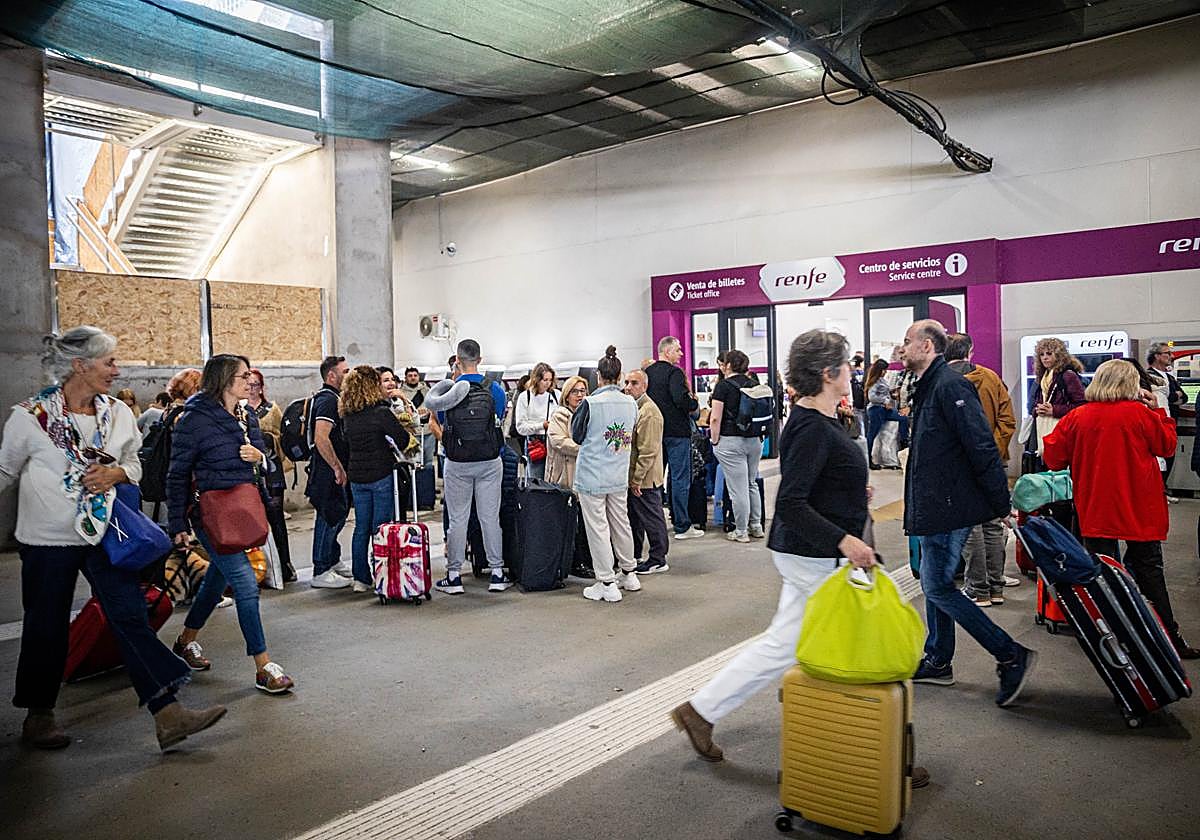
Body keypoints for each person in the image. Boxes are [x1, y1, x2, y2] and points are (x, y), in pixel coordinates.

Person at [0, 327, 225, 751]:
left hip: (106, 534)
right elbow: (5, 473)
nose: (117, 371)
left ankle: (167, 713)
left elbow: (136, 467)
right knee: (46, 625)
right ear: (79, 366)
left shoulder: (116, 415)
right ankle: (38, 714)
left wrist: (116, 473)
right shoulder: (30, 418)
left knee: (129, 616)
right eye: (109, 363)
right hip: (47, 539)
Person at [670, 330, 880, 762]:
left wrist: (853, 491)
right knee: (841, 646)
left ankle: (701, 711)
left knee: (786, 642)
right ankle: (870, 754)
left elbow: (815, 486)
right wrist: (846, 540)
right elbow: (790, 502)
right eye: (846, 365)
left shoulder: (818, 420)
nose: (852, 372)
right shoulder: (810, 427)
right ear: (828, 373)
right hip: (814, 556)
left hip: (813, 554)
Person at [901, 320, 1036, 706]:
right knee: (936, 583)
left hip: (948, 505)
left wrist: (999, 502)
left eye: (908, 342)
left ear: (928, 347)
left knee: (938, 586)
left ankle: (1010, 654)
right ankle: (939, 659)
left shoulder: (950, 386)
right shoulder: (928, 387)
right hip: (934, 504)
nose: (902, 348)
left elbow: (980, 445)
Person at [1042, 359, 1199, 659]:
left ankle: (1109, 638)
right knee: (1150, 572)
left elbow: (1053, 459)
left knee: (1101, 576)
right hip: (1140, 508)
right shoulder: (1141, 414)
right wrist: (1158, 409)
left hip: (1096, 509)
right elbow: (1166, 446)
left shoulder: (1078, 418)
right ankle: (1170, 639)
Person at [167, 354, 295, 694]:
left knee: (216, 579)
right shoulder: (193, 419)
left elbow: (261, 462)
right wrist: (177, 522)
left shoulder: (246, 413)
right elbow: (177, 473)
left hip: (242, 508)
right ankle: (263, 664)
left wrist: (260, 457)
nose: (249, 381)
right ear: (224, 379)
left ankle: (185, 640)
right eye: (242, 376)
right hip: (209, 513)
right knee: (245, 583)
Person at [424, 338, 512, 594]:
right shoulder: (495, 389)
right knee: (489, 518)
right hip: (489, 461)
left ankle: (453, 576)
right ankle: (496, 573)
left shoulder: (449, 390)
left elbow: (440, 422)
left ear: (457, 361)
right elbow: (499, 418)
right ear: (480, 360)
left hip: (457, 462)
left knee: (458, 519)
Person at [945, 333, 1018, 607]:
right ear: (970, 351)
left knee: (969, 526)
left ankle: (977, 589)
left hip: (959, 465)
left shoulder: (941, 380)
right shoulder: (990, 378)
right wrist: (991, 451)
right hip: (993, 462)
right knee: (992, 523)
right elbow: (1007, 419)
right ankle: (996, 587)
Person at [572, 346, 640, 602]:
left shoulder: (590, 403)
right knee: (621, 523)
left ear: (598, 376)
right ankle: (629, 572)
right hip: (618, 473)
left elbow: (577, 436)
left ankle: (606, 581)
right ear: (620, 375)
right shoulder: (630, 403)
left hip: (593, 473)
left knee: (598, 528)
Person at [341, 366, 412, 593]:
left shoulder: (348, 416)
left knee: (361, 528)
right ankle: (383, 573)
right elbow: (402, 439)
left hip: (357, 477)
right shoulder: (380, 413)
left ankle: (361, 578)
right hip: (381, 474)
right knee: (381, 528)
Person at [646, 336, 702, 540]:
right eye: (678, 350)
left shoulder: (647, 373)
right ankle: (682, 525)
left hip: (654, 433)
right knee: (680, 479)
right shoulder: (675, 373)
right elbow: (680, 399)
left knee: (654, 480)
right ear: (667, 351)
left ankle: (653, 524)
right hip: (677, 433)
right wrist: (693, 403)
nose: (681, 354)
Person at [708, 349, 766, 543]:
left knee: (737, 489)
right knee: (751, 483)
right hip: (754, 441)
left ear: (729, 365)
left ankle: (741, 531)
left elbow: (715, 417)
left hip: (731, 441)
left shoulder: (723, 387)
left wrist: (714, 441)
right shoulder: (753, 384)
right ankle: (756, 526)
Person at [245, 368, 296, 583]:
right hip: (251, 471)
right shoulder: (239, 410)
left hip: (272, 468)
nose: (252, 389)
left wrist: (268, 439)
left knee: (276, 518)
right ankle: (259, 567)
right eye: (249, 385)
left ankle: (284, 563)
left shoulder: (271, 409)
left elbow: (282, 438)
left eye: (256, 385)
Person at [307, 355, 352, 589]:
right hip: (327, 472)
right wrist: (336, 466)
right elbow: (321, 437)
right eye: (345, 372)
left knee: (337, 515)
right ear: (331, 376)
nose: (349, 375)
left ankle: (332, 560)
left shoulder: (335, 398)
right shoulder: (327, 401)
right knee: (328, 517)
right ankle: (321, 568)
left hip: (334, 469)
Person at [624, 369, 670, 575]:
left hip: (646, 479)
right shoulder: (636, 408)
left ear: (644, 386)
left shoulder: (649, 412)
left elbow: (648, 450)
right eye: (626, 382)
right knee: (637, 518)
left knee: (652, 518)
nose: (628, 387)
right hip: (638, 477)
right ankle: (636, 555)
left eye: (634, 383)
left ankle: (658, 558)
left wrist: (637, 479)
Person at [1027, 337, 1086, 465]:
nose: (1045, 358)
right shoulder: (1043, 376)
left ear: (1059, 355)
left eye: (1049, 353)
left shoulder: (1068, 375)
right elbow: (1035, 402)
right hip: (1043, 427)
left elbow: (1081, 405)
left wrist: (1054, 410)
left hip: (1060, 427)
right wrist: (1037, 410)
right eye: (1041, 354)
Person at [1147, 343, 1186, 502]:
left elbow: (1184, 396)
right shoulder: (1148, 375)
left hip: (1171, 422)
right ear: (1156, 356)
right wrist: (1173, 396)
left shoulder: (1169, 377)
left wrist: (1174, 396)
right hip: (1158, 422)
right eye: (1167, 353)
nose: (1171, 356)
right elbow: (1168, 397)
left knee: (1170, 455)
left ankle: (1163, 488)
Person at [515, 362, 558, 480]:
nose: (547, 383)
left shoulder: (555, 395)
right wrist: (541, 425)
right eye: (544, 380)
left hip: (553, 441)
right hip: (535, 442)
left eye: (550, 380)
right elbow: (520, 427)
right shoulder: (525, 397)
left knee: (553, 480)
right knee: (536, 480)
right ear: (537, 379)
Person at [547, 375, 588, 487]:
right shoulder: (559, 415)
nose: (579, 395)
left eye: (582, 391)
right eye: (574, 391)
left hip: (583, 473)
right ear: (566, 396)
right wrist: (587, 449)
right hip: (563, 476)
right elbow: (559, 442)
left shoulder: (588, 416)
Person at [865, 359, 903, 469]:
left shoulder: (881, 380)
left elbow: (882, 393)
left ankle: (904, 442)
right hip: (876, 410)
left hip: (884, 410)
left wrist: (891, 393)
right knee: (872, 434)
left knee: (903, 418)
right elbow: (872, 397)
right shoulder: (875, 381)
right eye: (884, 370)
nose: (886, 372)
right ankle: (869, 460)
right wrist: (885, 401)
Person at [398, 366, 435, 468]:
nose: (413, 378)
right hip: (411, 432)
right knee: (412, 461)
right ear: (405, 378)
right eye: (410, 376)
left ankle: (426, 483)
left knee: (428, 460)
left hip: (428, 431)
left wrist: (427, 411)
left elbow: (433, 407)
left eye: (415, 375)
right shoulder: (400, 393)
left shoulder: (428, 391)